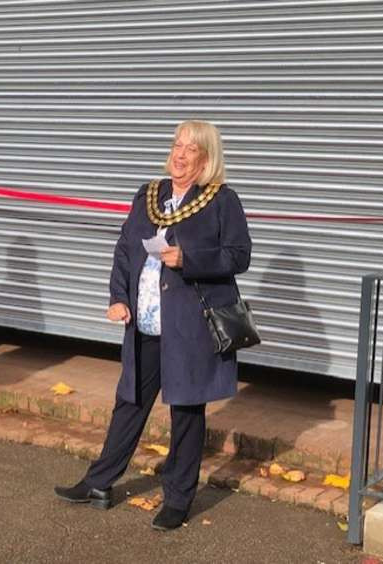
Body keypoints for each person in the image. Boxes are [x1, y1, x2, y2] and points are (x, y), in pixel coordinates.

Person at [54, 120, 252, 531]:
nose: (179, 154)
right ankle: (99, 482)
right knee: (129, 403)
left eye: (190, 149)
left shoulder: (221, 200)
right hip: (144, 322)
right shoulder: (149, 195)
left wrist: (189, 260)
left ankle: (178, 499)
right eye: (177, 145)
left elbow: (238, 256)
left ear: (206, 157)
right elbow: (125, 249)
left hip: (188, 328)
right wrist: (117, 297)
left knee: (186, 411)